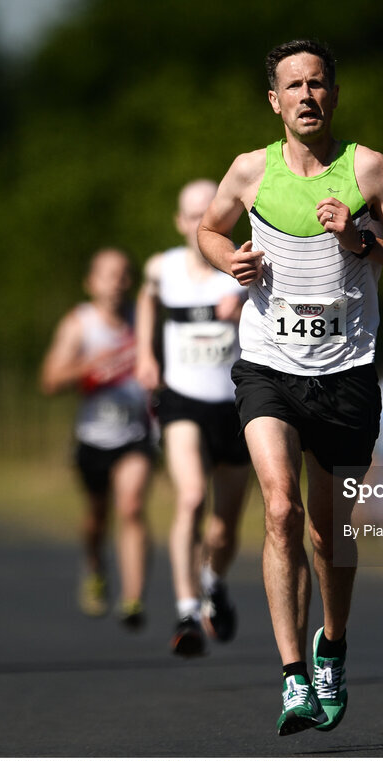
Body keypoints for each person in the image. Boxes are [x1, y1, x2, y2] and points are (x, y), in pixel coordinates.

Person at [196, 39, 383, 735]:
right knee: (279, 511)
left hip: (347, 375)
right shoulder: (248, 172)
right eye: (293, 85)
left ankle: (330, 644)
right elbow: (207, 232)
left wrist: (365, 244)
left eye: (318, 83)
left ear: (334, 94)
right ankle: (292, 677)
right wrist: (228, 260)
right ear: (273, 100)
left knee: (332, 538)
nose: (307, 96)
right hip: (268, 366)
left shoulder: (370, 170)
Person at [135, 179, 251, 657]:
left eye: (211, 209)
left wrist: (244, 299)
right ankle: (186, 610)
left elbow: (283, 297)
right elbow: (146, 298)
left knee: (224, 527)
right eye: (192, 212)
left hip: (239, 403)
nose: (202, 218)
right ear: (181, 222)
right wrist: (146, 354)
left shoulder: (243, 264)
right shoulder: (162, 268)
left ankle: (213, 582)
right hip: (181, 400)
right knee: (191, 496)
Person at [40, 248, 154, 629]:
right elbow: (50, 381)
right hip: (93, 437)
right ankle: (94, 565)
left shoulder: (144, 321)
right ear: (91, 283)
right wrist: (89, 366)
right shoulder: (79, 324)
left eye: (123, 274)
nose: (117, 282)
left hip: (135, 435)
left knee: (132, 506)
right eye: (108, 274)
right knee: (96, 518)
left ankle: (132, 599)